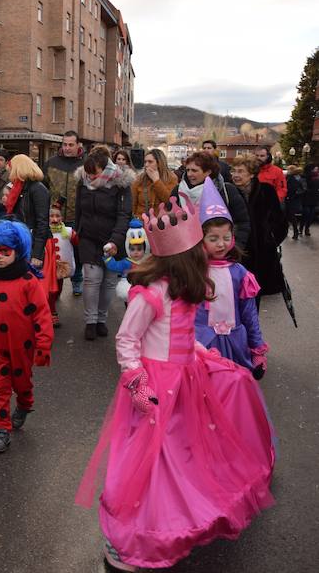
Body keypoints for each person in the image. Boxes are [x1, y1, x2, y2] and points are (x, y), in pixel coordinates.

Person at [76, 197, 275, 572]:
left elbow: (180, 336)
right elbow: (127, 340)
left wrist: (203, 354)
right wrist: (136, 382)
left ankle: (172, 523)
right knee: (148, 461)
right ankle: (130, 537)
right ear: (184, 261)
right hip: (155, 386)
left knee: (181, 455)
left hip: (185, 381)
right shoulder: (152, 294)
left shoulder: (184, 292)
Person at [0, 220, 53, 452]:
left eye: (5, 252)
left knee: (22, 384)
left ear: (17, 251)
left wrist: (43, 346)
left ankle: (24, 404)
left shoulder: (29, 282)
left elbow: (42, 316)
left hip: (23, 346)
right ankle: (1, 429)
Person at [194, 187, 269, 379]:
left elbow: (249, 314)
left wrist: (257, 350)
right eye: (213, 239)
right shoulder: (193, 272)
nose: (221, 244)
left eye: (226, 238)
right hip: (201, 346)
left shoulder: (240, 274)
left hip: (236, 344)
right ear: (200, 240)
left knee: (232, 394)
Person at [74, 147, 133, 341]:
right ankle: (90, 321)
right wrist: (78, 230)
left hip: (112, 239)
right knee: (92, 278)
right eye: (88, 173)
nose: (90, 177)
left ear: (105, 168)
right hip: (88, 237)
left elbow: (124, 214)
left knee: (109, 281)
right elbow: (78, 210)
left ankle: (101, 319)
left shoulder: (120, 183)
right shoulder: (82, 180)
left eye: (95, 173)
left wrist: (115, 240)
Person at [231, 154, 288, 306]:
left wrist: (270, 241)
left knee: (254, 300)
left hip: (261, 255)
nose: (235, 175)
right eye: (234, 171)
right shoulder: (228, 192)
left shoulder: (266, 191)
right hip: (236, 252)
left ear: (251, 174)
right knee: (234, 299)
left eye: (240, 171)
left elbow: (280, 221)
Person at [171, 151, 251, 247]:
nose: (189, 174)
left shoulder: (226, 190)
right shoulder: (178, 190)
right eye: (187, 170)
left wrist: (235, 247)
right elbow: (170, 220)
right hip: (187, 251)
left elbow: (242, 222)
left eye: (194, 170)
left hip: (221, 249)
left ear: (208, 172)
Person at [44, 131, 85, 295]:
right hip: (55, 217)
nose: (67, 148)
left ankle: (77, 280)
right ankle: (56, 284)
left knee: (77, 251)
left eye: (71, 145)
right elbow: (43, 187)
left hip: (77, 216)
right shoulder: (51, 163)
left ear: (78, 145)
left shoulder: (86, 164)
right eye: (64, 144)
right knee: (55, 252)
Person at [4, 154, 50, 268]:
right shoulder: (19, 189)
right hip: (21, 241)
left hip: (32, 244)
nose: (9, 174)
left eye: (11, 169)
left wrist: (37, 254)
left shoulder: (37, 189)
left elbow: (42, 222)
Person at [44, 203, 77, 328]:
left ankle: (53, 300)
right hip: (48, 267)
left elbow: (77, 242)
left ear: (62, 218)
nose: (54, 219)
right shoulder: (44, 231)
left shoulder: (67, 232)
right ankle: (52, 312)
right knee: (52, 290)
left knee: (58, 287)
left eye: (57, 216)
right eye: (51, 216)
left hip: (62, 267)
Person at [104, 219, 150, 302]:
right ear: (128, 249)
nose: (136, 252)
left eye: (139, 249)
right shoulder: (126, 262)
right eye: (132, 249)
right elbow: (115, 266)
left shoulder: (148, 262)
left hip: (144, 292)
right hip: (130, 291)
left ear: (145, 248)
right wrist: (107, 257)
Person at [130, 149, 177, 218]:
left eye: (150, 162)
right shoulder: (139, 180)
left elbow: (169, 202)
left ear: (159, 163)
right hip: (142, 221)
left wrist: (156, 181)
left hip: (162, 223)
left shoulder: (171, 178)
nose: (146, 165)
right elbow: (133, 204)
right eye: (145, 162)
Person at [284, 165, 306, 240]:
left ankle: (295, 232)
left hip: (292, 200)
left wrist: (291, 195)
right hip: (288, 199)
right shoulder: (289, 177)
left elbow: (294, 189)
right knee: (287, 216)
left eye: (288, 169)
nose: (287, 171)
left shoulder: (294, 178)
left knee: (291, 216)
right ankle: (287, 231)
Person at [302, 163, 319, 236]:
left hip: (314, 198)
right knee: (306, 214)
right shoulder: (305, 177)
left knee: (311, 215)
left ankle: (307, 228)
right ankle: (301, 227)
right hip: (306, 198)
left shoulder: (317, 177)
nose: (317, 169)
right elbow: (304, 187)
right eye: (315, 168)